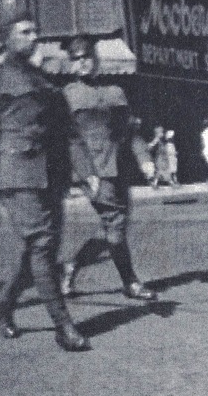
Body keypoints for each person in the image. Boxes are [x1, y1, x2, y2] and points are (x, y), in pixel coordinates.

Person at [0, 13, 97, 351]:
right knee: (41, 244)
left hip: (51, 175)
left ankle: (3, 302)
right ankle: (64, 326)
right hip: (15, 175)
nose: (34, 37)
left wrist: (86, 171)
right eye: (25, 32)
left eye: (36, 31)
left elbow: (67, 130)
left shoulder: (44, 81)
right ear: (7, 39)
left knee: (42, 247)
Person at [59, 36, 157, 301]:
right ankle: (130, 282)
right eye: (76, 58)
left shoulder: (116, 91)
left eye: (87, 56)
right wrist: (82, 173)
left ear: (96, 58)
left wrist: (145, 159)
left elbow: (130, 131)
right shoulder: (67, 95)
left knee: (114, 227)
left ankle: (72, 266)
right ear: (70, 63)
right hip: (92, 170)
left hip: (120, 167)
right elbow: (66, 140)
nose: (82, 63)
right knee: (114, 222)